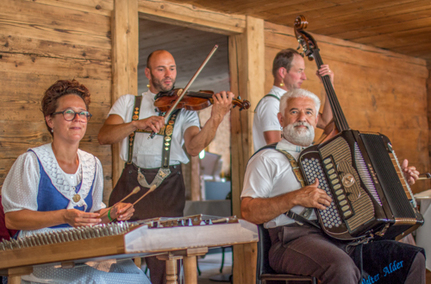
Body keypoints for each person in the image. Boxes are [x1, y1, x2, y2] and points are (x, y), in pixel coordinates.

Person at [241, 89, 425, 284]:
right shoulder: (266, 158)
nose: (302, 118)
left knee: (411, 259)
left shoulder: (332, 157)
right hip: (292, 240)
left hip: (346, 238)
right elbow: (248, 211)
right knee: (342, 268)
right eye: (294, 111)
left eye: (309, 112)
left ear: (315, 120)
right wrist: (294, 197)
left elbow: (367, 195)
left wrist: (398, 182)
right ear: (281, 119)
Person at [98, 49, 234, 283]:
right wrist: (136, 124)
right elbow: (104, 136)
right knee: (118, 264)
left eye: (172, 68)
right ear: (148, 73)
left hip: (168, 190)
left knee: (166, 267)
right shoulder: (129, 102)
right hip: (129, 186)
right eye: (161, 69)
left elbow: (194, 148)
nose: (168, 74)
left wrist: (216, 118)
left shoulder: (185, 110)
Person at [1, 79, 150, 284]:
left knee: (135, 276)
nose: (78, 119)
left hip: (83, 251)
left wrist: (112, 213)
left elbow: (93, 216)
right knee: (94, 280)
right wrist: (64, 216)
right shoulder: (31, 161)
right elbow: (13, 219)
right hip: (39, 255)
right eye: (69, 113)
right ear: (50, 120)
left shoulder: (93, 164)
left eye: (83, 113)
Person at [252, 48, 334, 152]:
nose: (304, 77)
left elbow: (326, 123)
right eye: (299, 71)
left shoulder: (292, 101)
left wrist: (329, 85)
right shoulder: (271, 104)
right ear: (282, 72)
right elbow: (276, 147)